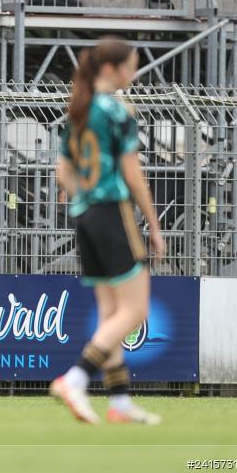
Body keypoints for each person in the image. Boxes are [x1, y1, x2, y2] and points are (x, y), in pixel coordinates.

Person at [51, 38, 165, 425]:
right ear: (112, 69)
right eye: (131, 66)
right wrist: (154, 223)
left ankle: (119, 400)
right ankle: (76, 378)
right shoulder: (117, 112)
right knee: (135, 310)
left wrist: (82, 198)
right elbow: (132, 173)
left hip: (84, 216)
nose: (133, 74)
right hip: (114, 212)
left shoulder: (78, 111)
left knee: (110, 312)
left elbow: (61, 174)